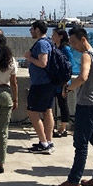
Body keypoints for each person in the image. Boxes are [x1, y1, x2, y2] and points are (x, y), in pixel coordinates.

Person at [51, 27, 93, 186]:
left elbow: (83, 77)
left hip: (86, 105)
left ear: (83, 40)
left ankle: (73, 181)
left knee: (81, 144)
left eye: (74, 42)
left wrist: (68, 88)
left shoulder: (87, 56)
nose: (73, 46)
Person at [24, 20, 55, 154]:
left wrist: (29, 57)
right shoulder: (49, 42)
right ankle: (48, 141)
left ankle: (43, 142)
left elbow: (43, 63)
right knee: (47, 111)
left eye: (32, 29)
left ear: (37, 30)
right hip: (48, 83)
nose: (31, 31)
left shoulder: (42, 44)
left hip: (40, 84)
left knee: (32, 112)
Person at [0, 33, 18, 173]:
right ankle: (1, 163)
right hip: (6, 94)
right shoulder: (11, 60)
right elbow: (13, 82)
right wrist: (15, 99)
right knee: (3, 131)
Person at [51, 28, 74, 138]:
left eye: (54, 34)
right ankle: (54, 125)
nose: (52, 36)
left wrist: (66, 82)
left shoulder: (66, 49)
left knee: (63, 104)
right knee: (54, 104)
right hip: (55, 80)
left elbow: (69, 66)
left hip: (63, 81)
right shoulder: (55, 48)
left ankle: (63, 127)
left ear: (60, 36)